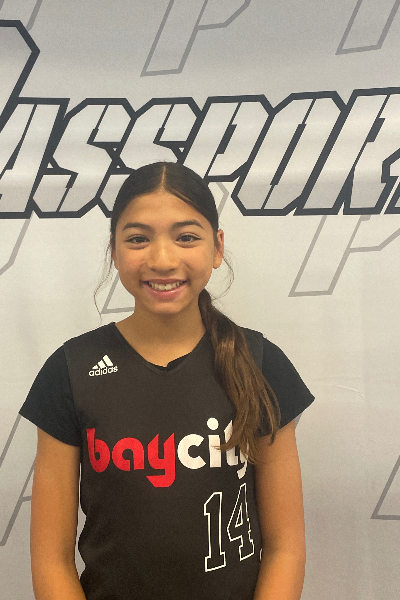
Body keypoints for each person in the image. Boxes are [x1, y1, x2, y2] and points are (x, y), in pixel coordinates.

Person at [19, 161, 315, 600]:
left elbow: (284, 549)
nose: (162, 259)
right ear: (114, 249)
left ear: (217, 247)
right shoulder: (70, 371)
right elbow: (51, 559)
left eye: (186, 237)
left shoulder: (261, 364)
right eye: (138, 239)